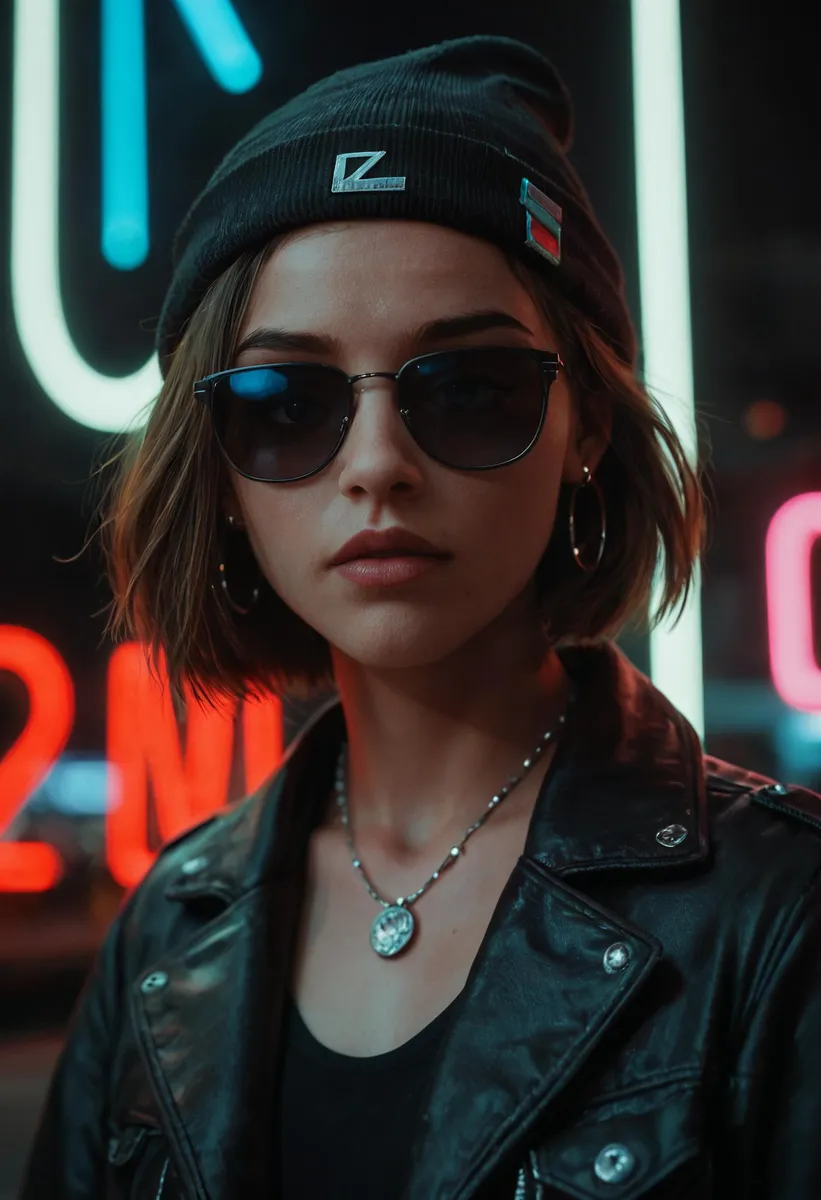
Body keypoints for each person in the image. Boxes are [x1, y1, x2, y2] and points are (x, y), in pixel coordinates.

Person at [20, 34, 821, 1200]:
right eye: (285, 403)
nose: (376, 465)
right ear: (223, 472)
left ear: (584, 426)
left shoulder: (774, 919)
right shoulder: (167, 937)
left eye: (469, 388)